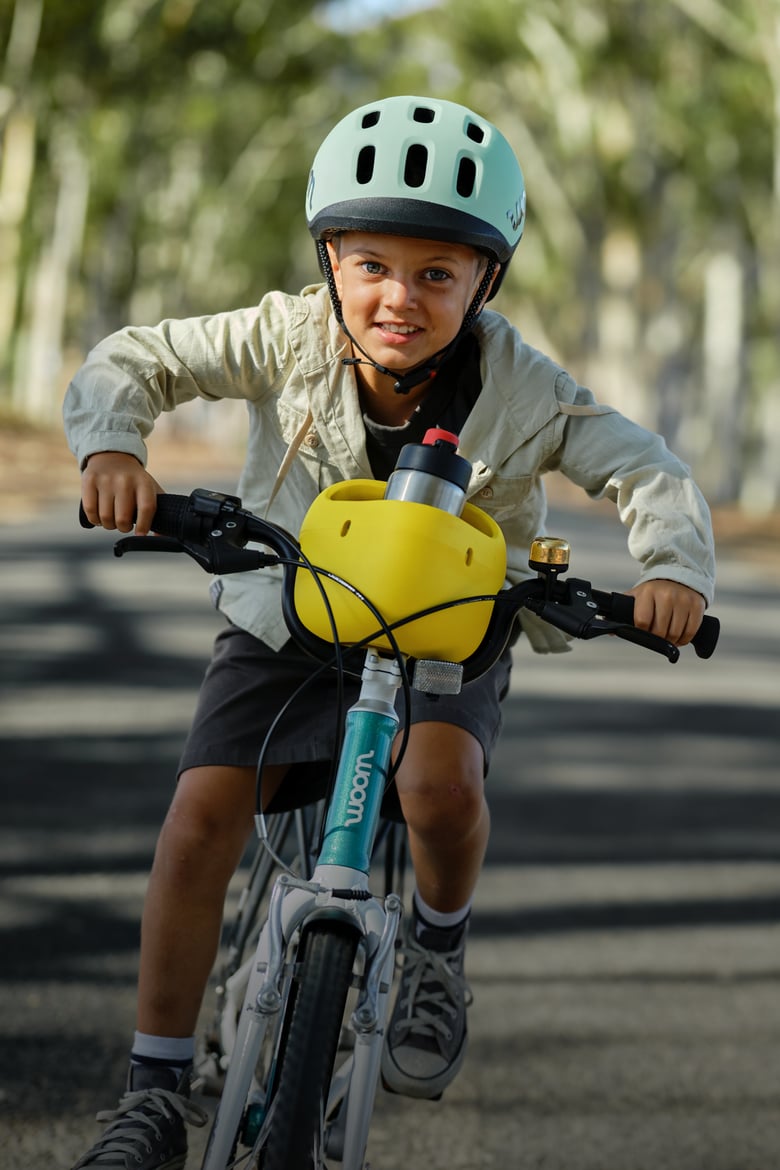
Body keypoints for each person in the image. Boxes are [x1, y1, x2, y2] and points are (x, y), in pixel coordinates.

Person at [64, 95, 715, 1168]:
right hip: (292, 613)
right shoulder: (285, 334)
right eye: (370, 265)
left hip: (448, 627)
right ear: (329, 260)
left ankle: (437, 952)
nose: (397, 298)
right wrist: (111, 450)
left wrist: (671, 570)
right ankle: (154, 1087)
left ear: (484, 282)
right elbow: (136, 360)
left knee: (441, 789)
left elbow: (645, 466)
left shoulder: (523, 387)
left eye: (434, 275)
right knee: (198, 821)